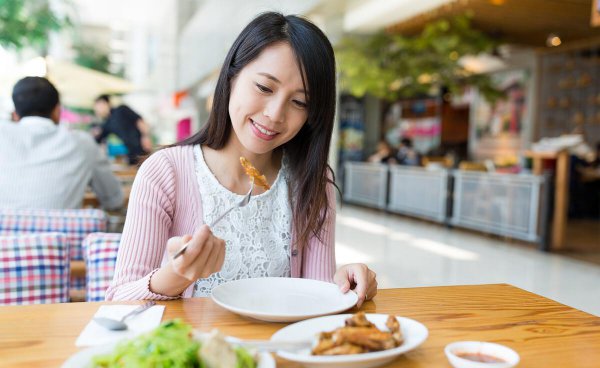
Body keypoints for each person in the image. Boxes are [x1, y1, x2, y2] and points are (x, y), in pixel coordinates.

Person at [106, 12, 378, 306]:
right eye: (264, 87)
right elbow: (118, 300)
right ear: (232, 76)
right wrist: (177, 274)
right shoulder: (165, 172)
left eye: (299, 102)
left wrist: (344, 284)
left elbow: (315, 298)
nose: (275, 114)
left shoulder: (313, 182)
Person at [0, 77, 123, 210]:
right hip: (61, 230)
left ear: (15, 114)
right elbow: (114, 200)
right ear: (57, 111)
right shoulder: (82, 143)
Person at [93, 94, 152, 165]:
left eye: (97, 106)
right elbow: (99, 139)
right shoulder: (107, 123)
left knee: (148, 167)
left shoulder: (121, 109)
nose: (97, 109)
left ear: (104, 103)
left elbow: (140, 121)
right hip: (130, 152)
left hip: (141, 146)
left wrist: (146, 137)